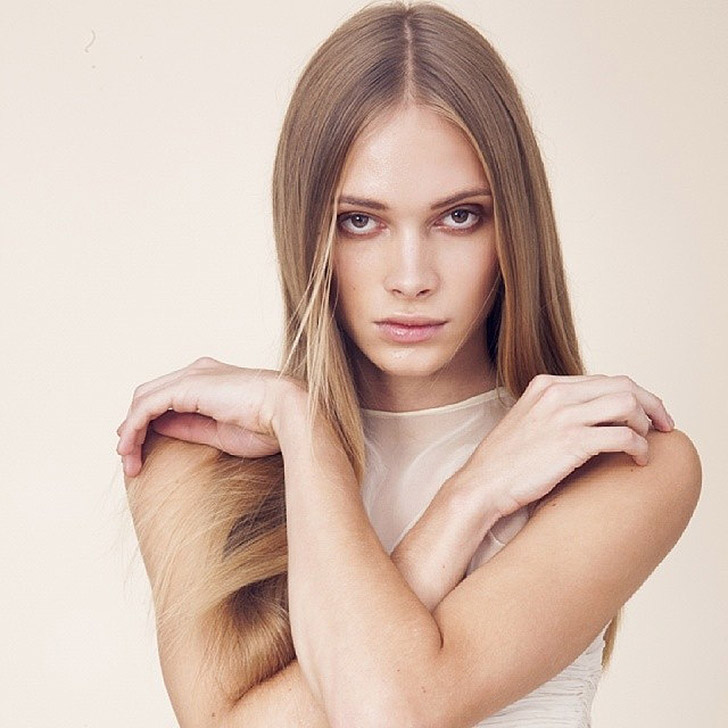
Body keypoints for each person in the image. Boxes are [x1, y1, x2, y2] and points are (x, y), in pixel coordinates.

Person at [116, 2, 702, 726]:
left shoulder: (620, 461)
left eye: (459, 216)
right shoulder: (195, 463)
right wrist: (450, 487)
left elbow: (387, 710)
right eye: (361, 221)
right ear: (307, 230)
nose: (411, 277)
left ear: (513, 227)